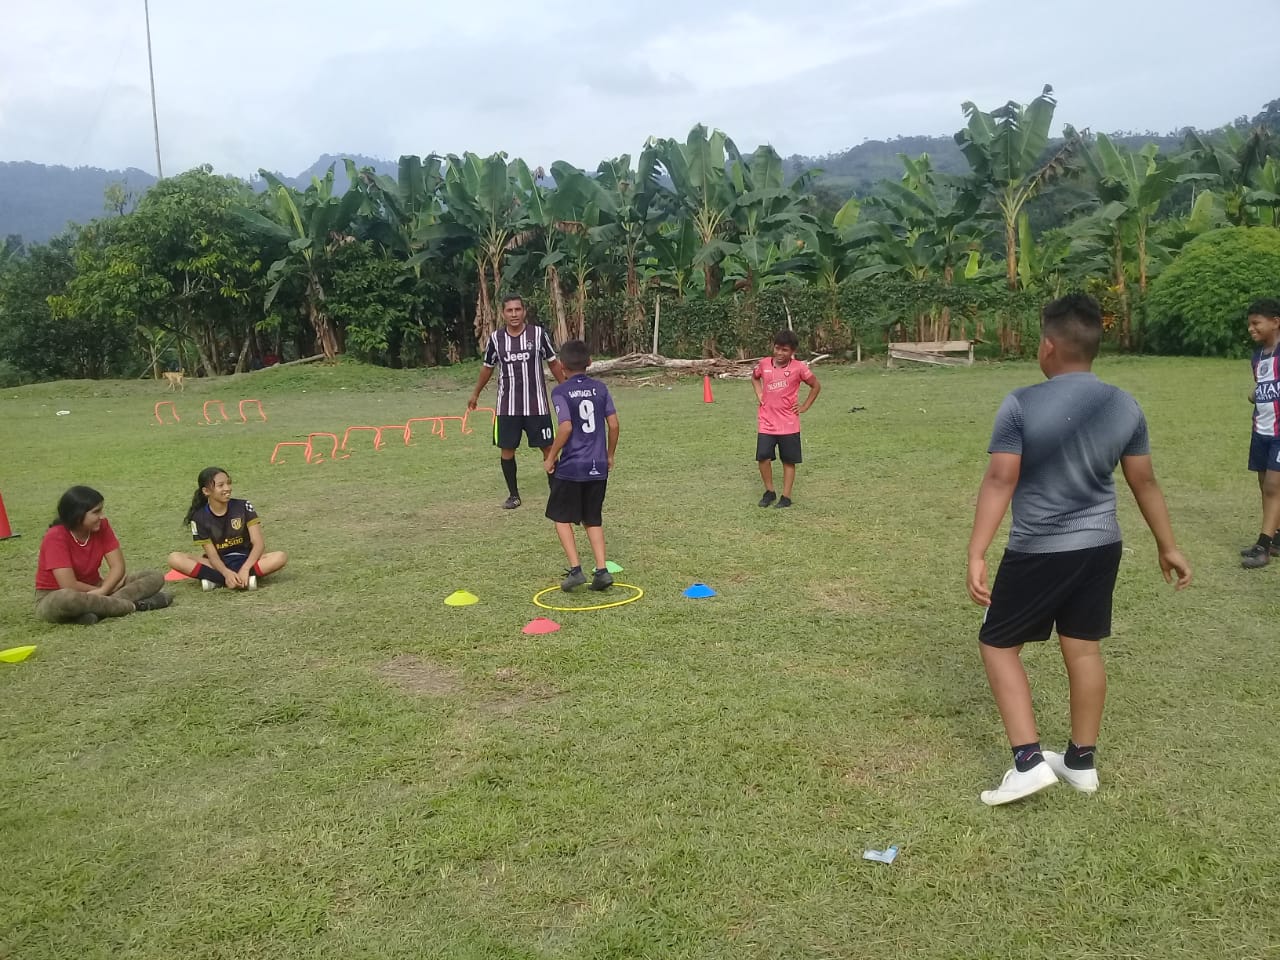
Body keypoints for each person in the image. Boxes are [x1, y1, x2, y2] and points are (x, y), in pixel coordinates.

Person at [967, 293, 1192, 806]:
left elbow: (1001, 479)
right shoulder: (1123, 405)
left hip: (1040, 549)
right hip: (1101, 545)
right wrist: (1169, 546)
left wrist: (977, 551)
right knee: (1083, 647)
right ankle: (1080, 762)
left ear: (1048, 346)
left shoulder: (1021, 403)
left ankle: (1028, 763)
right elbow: (1144, 481)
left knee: (997, 644)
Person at [468, 295, 567, 509]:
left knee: (548, 448)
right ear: (503, 314)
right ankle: (513, 495)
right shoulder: (496, 339)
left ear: (524, 311)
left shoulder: (538, 335)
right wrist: (475, 393)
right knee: (507, 450)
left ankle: (557, 494)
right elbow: (487, 368)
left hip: (537, 405)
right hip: (508, 407)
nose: (514, 314)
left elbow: (553, 363)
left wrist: (566, 387)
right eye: (509, 310)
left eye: (517, 310)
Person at [543, 339, 619, 591]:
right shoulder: (601, 388)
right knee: (592, 518)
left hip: (572, 467)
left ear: (561, 366)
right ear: (590, 362)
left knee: (559, 516)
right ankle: (602, 570)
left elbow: (565, 427)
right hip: (598, 464)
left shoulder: (561, 392)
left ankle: (576, 569)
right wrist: (609, 455)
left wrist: (551, 457)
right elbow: (614, 424)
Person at [34, 486, 171, 625]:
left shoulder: (102, 526)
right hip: (57, 594)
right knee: (67, 598)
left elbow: (118, 566)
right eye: (96, 512)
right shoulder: (55, 536)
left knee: (154, 576)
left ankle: (95, 612)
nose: (101, 516)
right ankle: (132, 606)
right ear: (77, 515)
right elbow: (68, 584)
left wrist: (104, 589)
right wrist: (100, 591)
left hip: (98, 587)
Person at [168, 467, 288, 591]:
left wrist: (246, 568)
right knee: (175, 558)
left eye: (228, 483)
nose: (227, 488)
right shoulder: (199, 517)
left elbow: (258, 544)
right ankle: (241, 580)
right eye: (221, 485)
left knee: (280, 557)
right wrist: (226, 573)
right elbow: (212, 555)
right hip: (217, 563)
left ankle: (217, 580)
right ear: (206, 491)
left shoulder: (243, 506)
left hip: (246, 559)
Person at [751, 329, 821, 508]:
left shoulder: (799, 368)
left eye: (785, 350)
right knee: (763, 457)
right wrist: (759, 394)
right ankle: (769, 492)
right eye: (777, 348)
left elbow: (815, 386)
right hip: (766, 422)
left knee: (788, 460)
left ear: (792, 351)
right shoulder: (764, 364)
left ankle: (786, 497)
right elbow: (755, 377)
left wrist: (804, 406)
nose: (780, 353)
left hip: (789, 424)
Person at [1241, 298, 1280, 568]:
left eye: (1256, 323)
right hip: (1261, 430)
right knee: (1264, 485)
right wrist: (1255, 394)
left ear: (1276, 322)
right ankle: (1276, 537)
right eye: (1249, 324)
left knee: (1273, 487)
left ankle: (1262, 546)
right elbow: (1263, 386)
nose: (1251, 329)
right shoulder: (1258, 357)